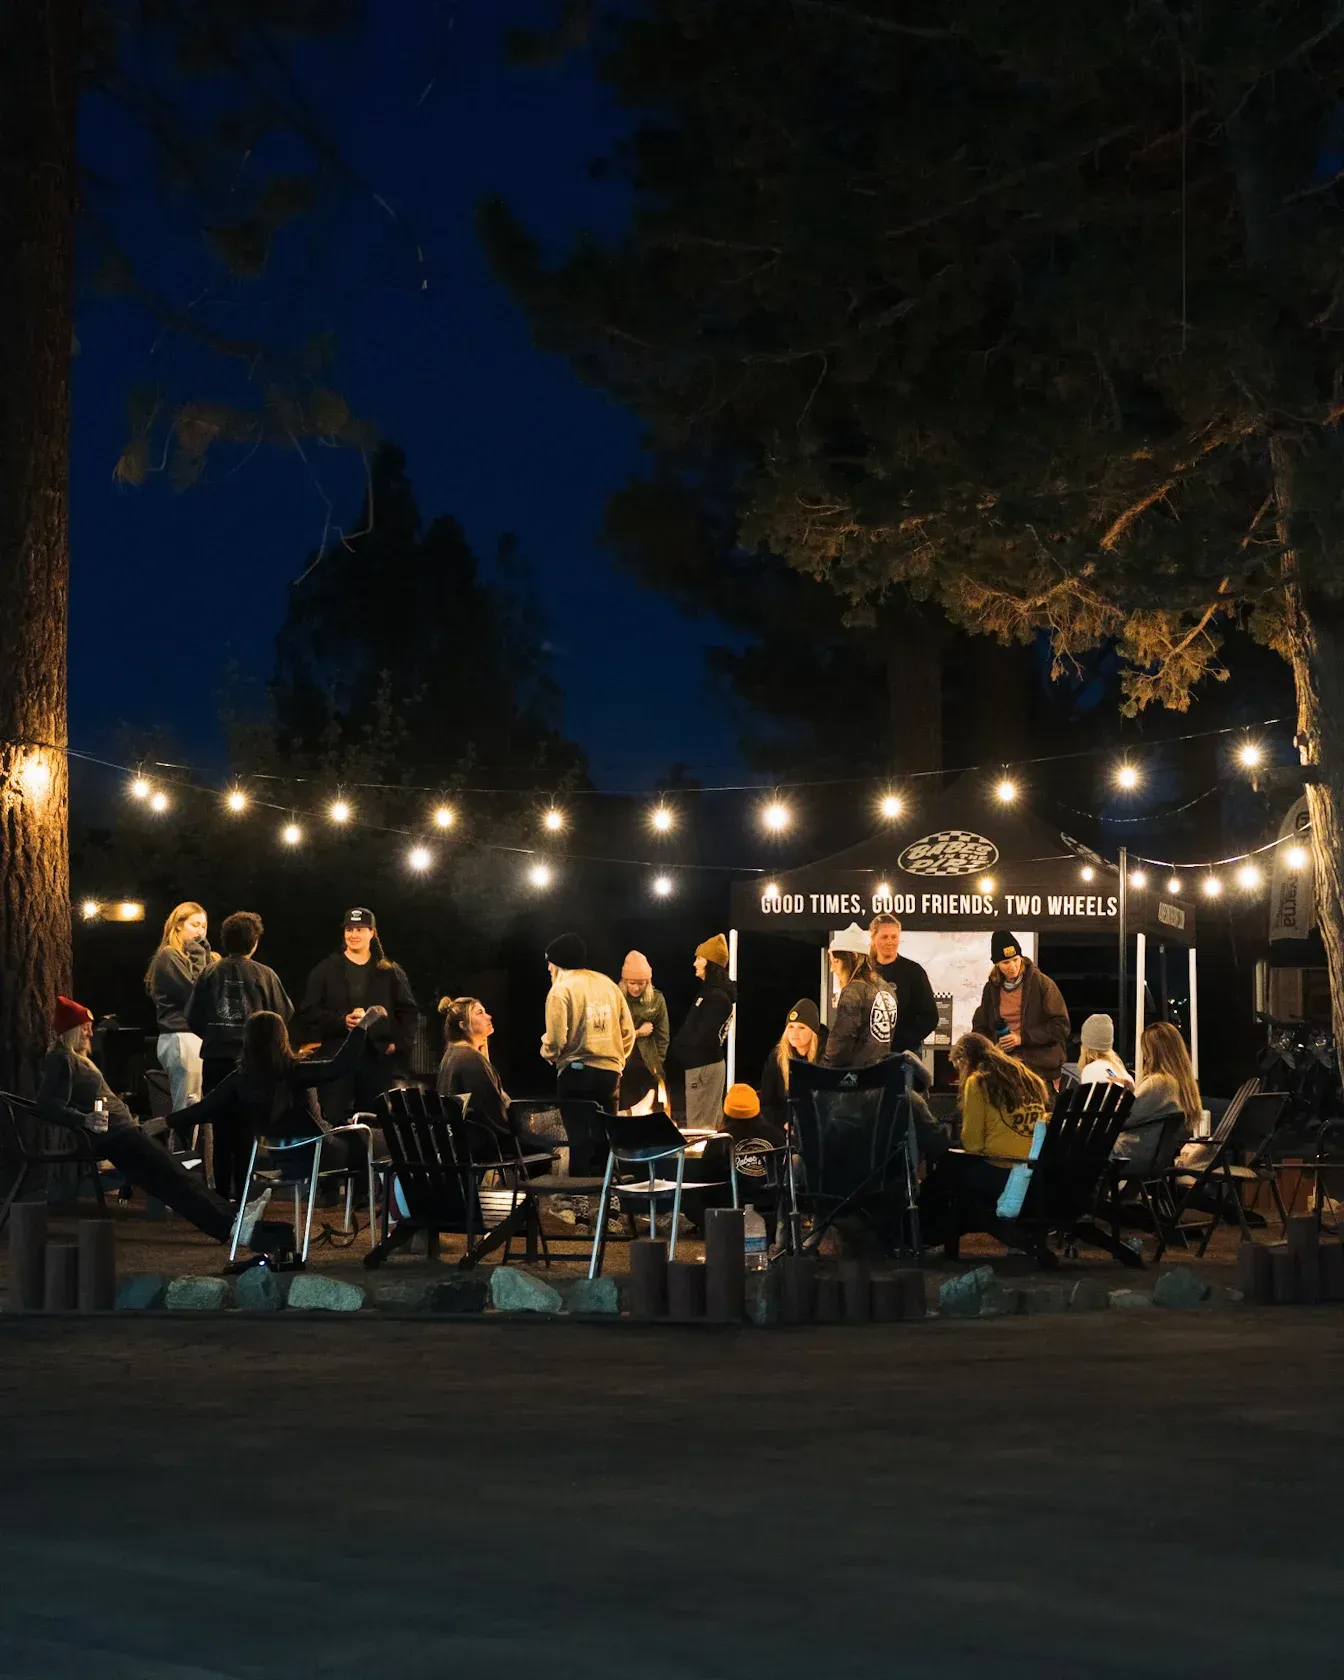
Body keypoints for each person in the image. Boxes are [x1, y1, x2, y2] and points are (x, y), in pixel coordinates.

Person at [38, 996, 235, 1242]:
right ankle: (227, 1225)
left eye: (90, 1025)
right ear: (70, 1031)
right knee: (170, 1179)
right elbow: (48, 1105)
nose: (90, 1031)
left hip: (124, 1130)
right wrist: (84, 1120)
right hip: (116, 1137)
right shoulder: (62, 1060)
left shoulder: (77, 1059)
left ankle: (232, 1216)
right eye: (84, 1026)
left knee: (175, 1173)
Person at [172, 1008, 390, 1214]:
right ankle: (388, 1208)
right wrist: (363, 1025)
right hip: (319, 1155)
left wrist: (165, 1121)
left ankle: (355, 1194)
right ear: (282, 1038)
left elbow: (203, 1109)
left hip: (281, 1157)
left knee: (355, 1134)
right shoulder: (296, 1071)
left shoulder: (240, 1079)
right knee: (385, 1139)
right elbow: (340, 1065)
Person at [185, 911, 292, 1200]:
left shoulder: (209, 973)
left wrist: (215, 1034)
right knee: (247, 1131)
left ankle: (221, 1197)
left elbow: (192, 1016)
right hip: (253, 1064)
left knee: (220, 1130)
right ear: (254, 942)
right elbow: (283, 1014)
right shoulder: (265, 975)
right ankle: (244, 1195)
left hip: (217, 1060)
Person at [919, 1031, 1052, 1242]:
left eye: (958, 1066)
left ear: (964, 1059)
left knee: (942, 1175)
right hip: (1037, 1175)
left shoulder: (978, 1082)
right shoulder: (1029, 1079)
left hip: (1002, 1172)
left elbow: (973, 1145)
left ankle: (919, 1237)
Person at [295, 908, 419, 1119]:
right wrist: (341, 1020)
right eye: (350, 929)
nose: (354, 935)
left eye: (360, 929)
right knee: (333, 1120)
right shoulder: (325, 969)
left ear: (372, 932)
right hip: (336, 1059)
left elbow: (409, 1011)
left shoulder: (389, 971)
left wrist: (397, 1043)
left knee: (377, 1122)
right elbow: (308, 1011)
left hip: (376, 1060)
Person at [540, 933, 635, 1112]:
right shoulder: (608, 984)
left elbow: (556, 1040)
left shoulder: (560, 990)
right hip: (610, 1075)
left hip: (576, 1074)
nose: (548, 968)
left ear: (558, 963)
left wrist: (548, 1053)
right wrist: (616, 1061)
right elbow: (628, 1032)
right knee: (608, 1134)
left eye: (549, 962)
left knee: (580, 1136)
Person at [971, 930, 1070, 1084]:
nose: (1013, 967)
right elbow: (980, 1026)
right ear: (997, 964)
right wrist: (992, 1047)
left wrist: (1022, 1038)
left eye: (1016, 960)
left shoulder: (1042, 984)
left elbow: (1061, 1026)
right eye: (1006, 963)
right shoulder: (991, 989)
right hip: (1004, 1068)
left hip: (1039, 1070)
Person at [145, 901, 217, 1111]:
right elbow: (195, 991)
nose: (200, 932)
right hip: (180, 1035)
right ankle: (181, 1144)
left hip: (194, 1037)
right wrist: (198, 955)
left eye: (204, 926)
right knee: (186, 1105)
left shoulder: (189, 957)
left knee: (195, 1104)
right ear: (178, 925)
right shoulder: (168, 955)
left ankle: (191, 1144)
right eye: (195, 925)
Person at [669, 934, 737, 1129]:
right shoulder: (711, 993)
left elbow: (704, 1036)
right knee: (707, 1124)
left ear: (711, 962)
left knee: (700, 1128)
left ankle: (701, 1160)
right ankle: (711, 1158)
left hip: (703, 1067)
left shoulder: (716, 997)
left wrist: (682, 1051)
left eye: (699, 959)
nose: (694, 963)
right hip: (702, 1066)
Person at [1113, 1020, 1197, 1173]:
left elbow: (1123, 1118)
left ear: (1153, 1052)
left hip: (1128, 1153)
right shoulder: (1178, 1084)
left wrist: (1121, 1098)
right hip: (1150, 1156)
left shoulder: (1157, 1083)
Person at [821, 925, 898, 1068]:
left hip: (855, 1081)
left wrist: (823, 1069)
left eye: (836, 961)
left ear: (853, 957)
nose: (832, 969)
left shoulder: (853, 991)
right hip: (880, 1077)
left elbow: (841, 1040)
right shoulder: (886, 988)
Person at [437, 995, 512, 1136]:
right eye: (480, 1013)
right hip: (481, 1146)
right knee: (548, 1144)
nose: (488, 1017)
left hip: (462, 1143)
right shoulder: (469, 1058)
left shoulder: (453, 1054)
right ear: (463, 1025)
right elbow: (493, 1113)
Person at [868, 914, 939, 1056]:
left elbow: (930, 1016)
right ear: (873, 938)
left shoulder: (913, 971)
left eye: (894, 937)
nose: (890, 941)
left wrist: (906, 1040)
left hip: (905, 1054)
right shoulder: (864, 971)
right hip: (869, 1054)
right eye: (884, 937)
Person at [759, 997, 823, 1131]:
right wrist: (785, 1122)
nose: (794, 1033)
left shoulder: (825, 1056)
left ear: (813, 1032)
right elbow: (767, 1103)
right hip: (786, 1128)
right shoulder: (777, 1057)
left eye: (801, 1027)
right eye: (791, 1027)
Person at [617, 951, 670, 1111]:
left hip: (649, 1063)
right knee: (627, 1109)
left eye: (641, 983)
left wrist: (658, 1059)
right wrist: (638, 1032)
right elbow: (613, 1034)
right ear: (624, 981)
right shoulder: (616, 998)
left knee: (652, 1110)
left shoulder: (656, 999)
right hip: (624, 1063)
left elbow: (663, 1034)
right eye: (632, 983)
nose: (636, 987)